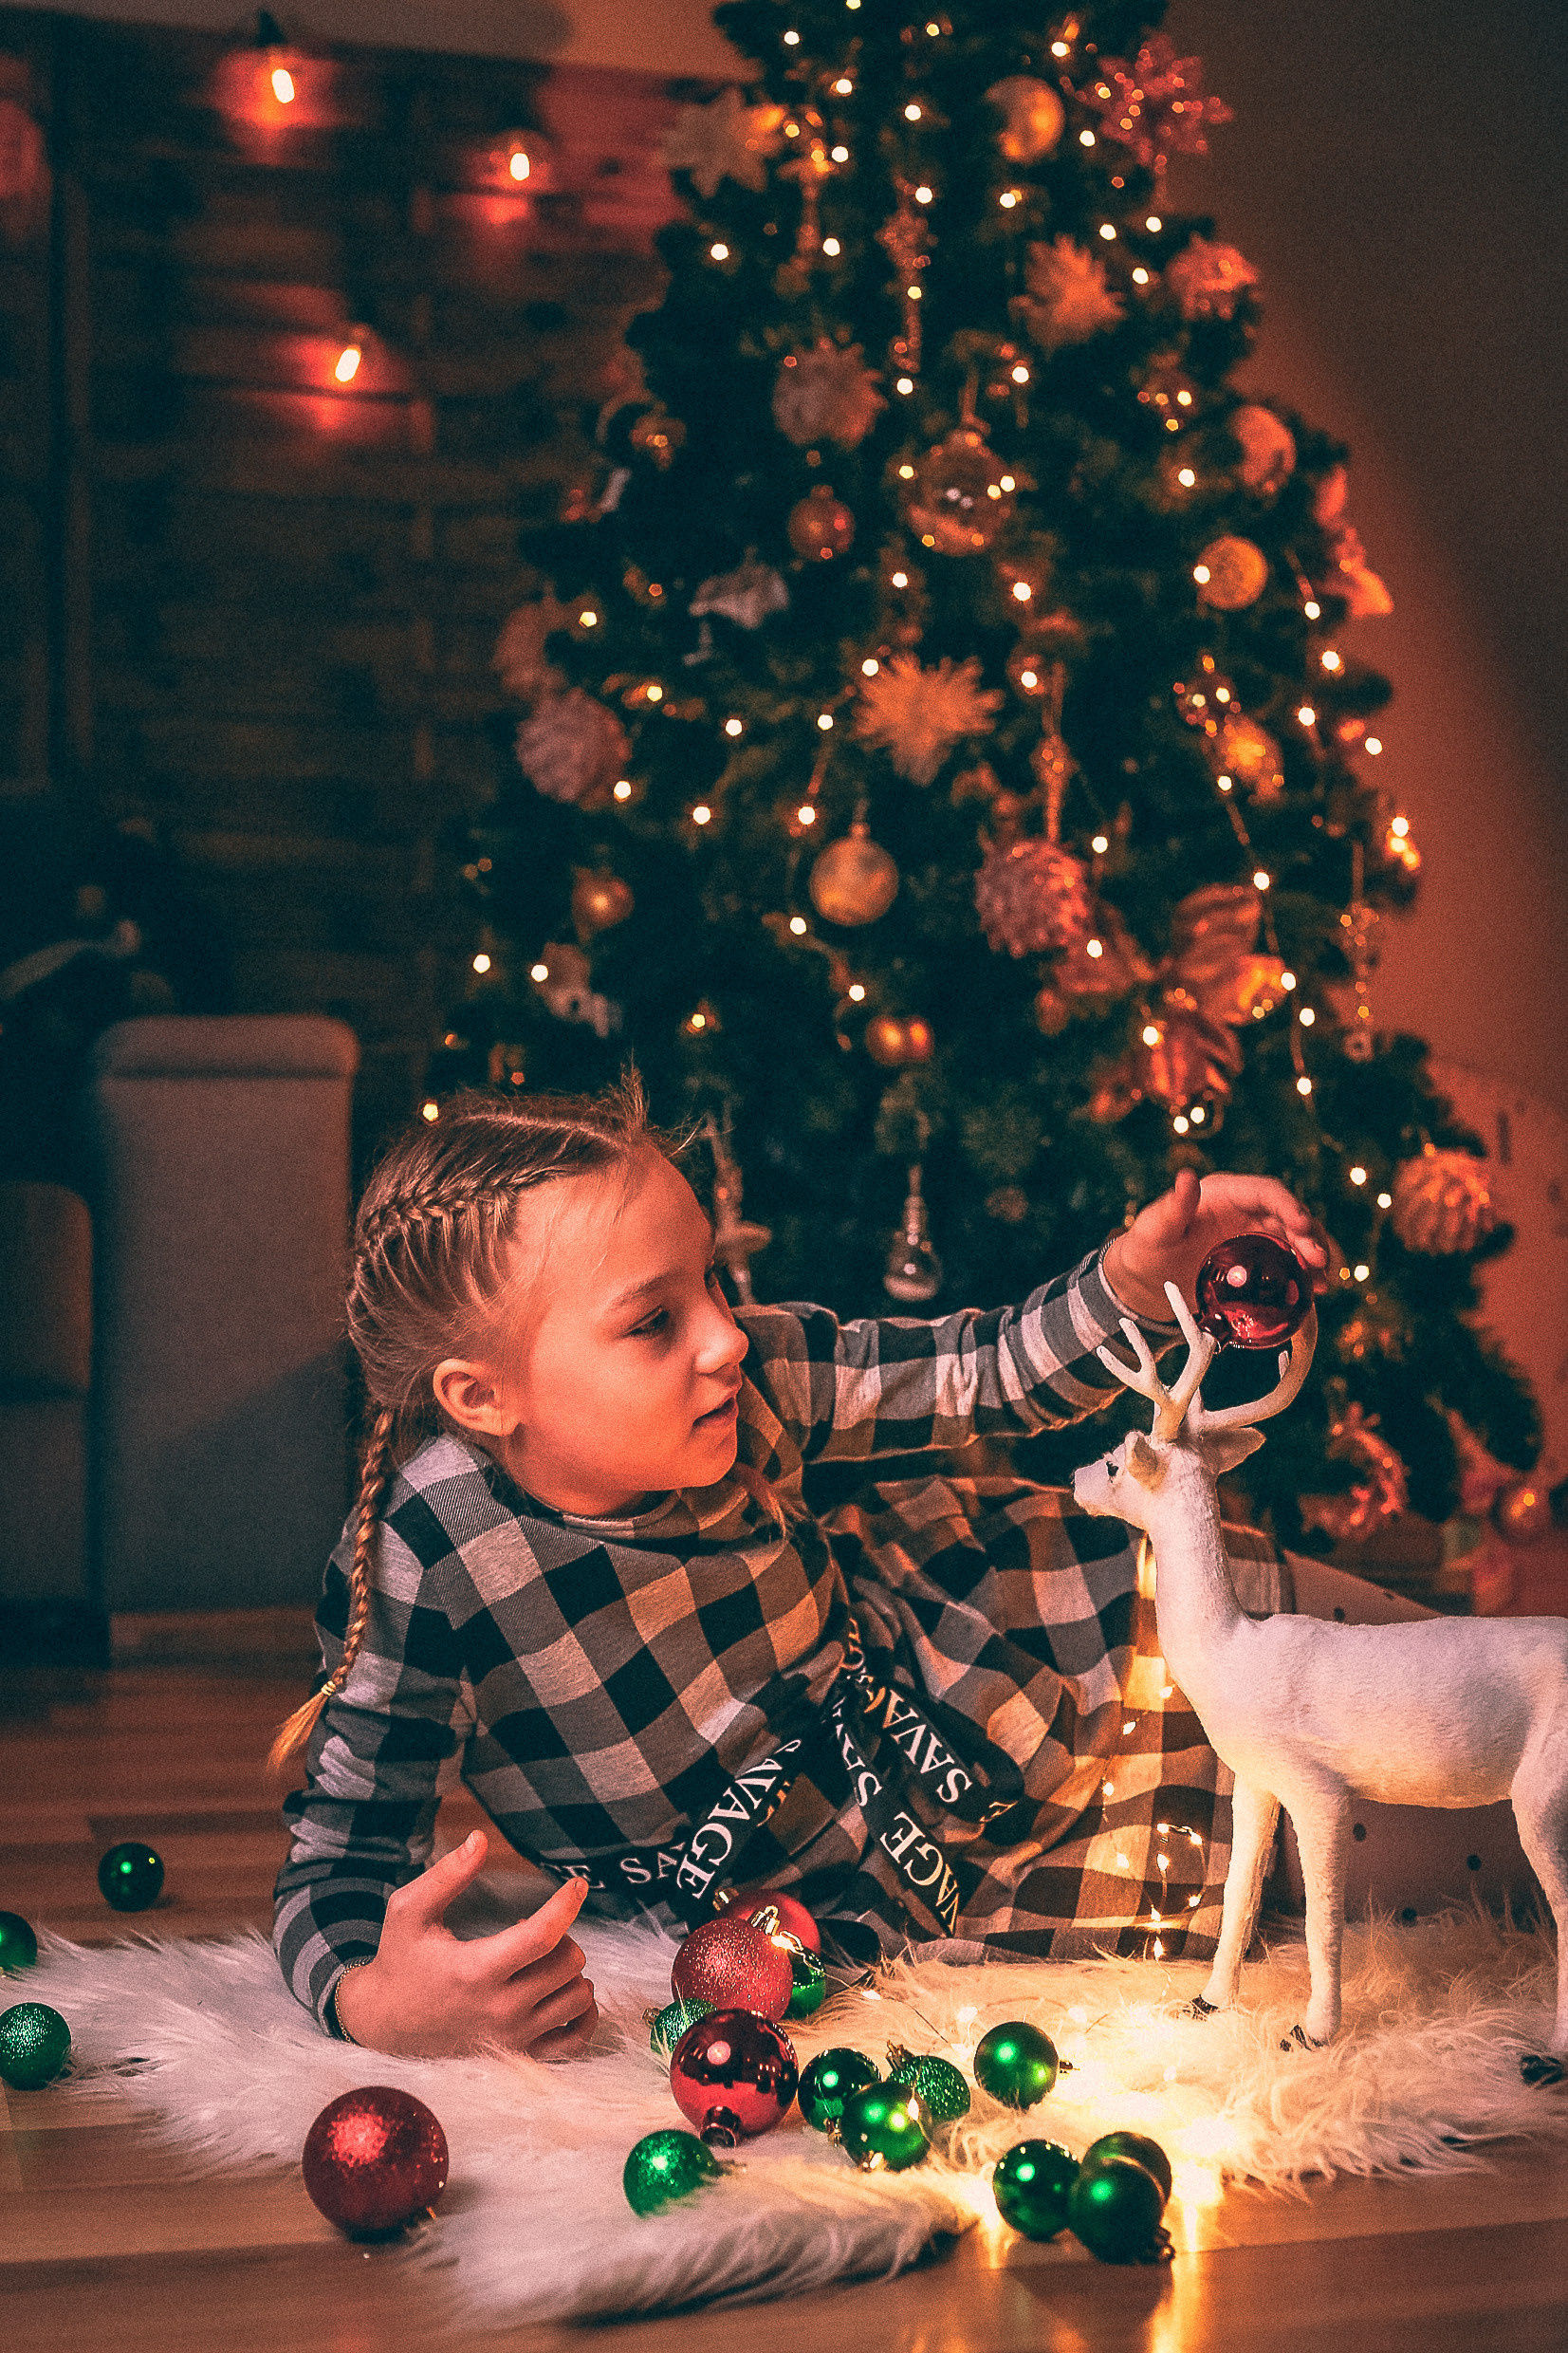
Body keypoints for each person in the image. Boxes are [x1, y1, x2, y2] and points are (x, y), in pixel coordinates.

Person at [271, 1074, 1338, 2060]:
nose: (725, 1336)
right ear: (481, 1396)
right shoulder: (436, 1552)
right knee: (1349, 1838)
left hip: (1014, 1651)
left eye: (709, 1281)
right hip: (866, 1880)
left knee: (1411, 1705)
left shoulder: (761, 1373)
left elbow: (979, 1373)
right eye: (654, 1319)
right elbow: (338, 1858)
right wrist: (373, 1998)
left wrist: (1131, 1281)